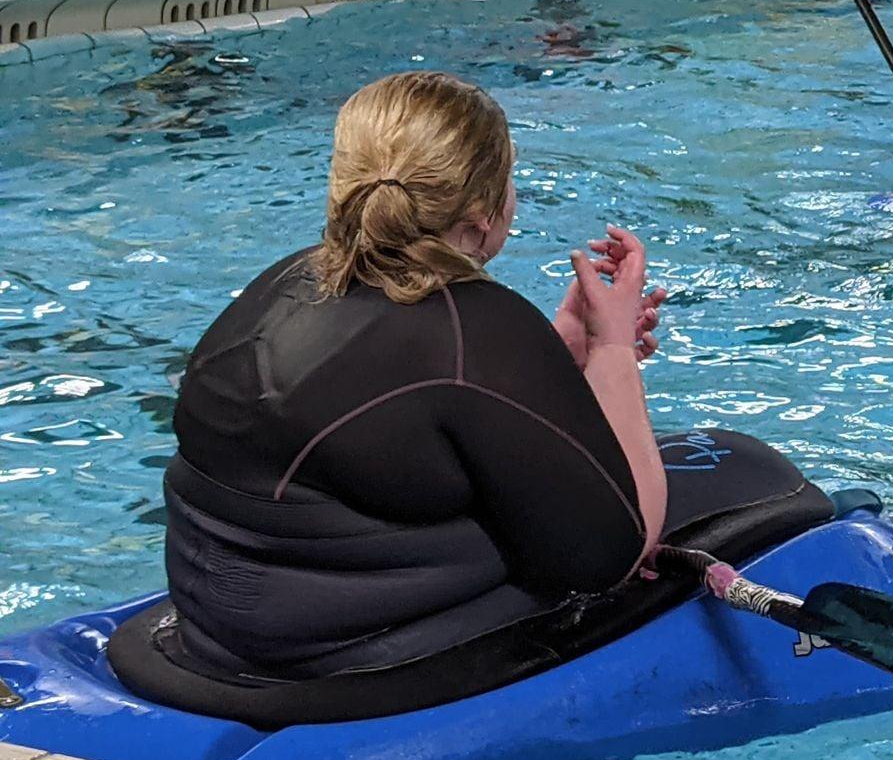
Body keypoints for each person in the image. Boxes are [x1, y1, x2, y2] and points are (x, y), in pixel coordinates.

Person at [160, 71, 671, 680]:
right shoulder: (475, 326)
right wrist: (614, 349)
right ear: (485, 215)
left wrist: (555, 354)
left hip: (214, 623)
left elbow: (409, 414)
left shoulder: (286, 280)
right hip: (330, 661)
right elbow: (612, 551)